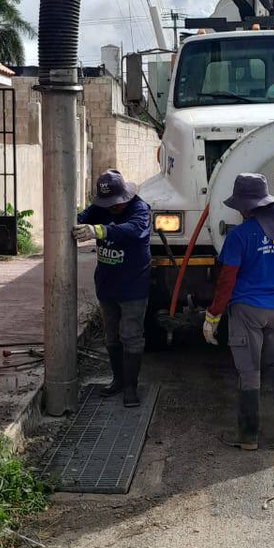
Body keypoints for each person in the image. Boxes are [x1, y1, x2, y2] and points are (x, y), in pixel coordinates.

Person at [203, 172, 274, 450]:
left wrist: (213, 315)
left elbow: (226, 280)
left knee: (249, 371)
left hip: (247, 311)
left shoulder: (239, 236)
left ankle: (248, 437)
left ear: (246, 207)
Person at [73, 170, 151, 407]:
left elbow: (134, 230)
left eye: (116, 203)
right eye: (107, 204)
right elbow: (80, 218)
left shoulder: (140, 209)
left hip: (133, 286)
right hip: (107, 284)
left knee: (131, 335)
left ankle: (131, 388)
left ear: (125, 195)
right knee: (111, 336)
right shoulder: (101, 208)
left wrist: (99, 230)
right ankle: (118, 380)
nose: (112, 208)